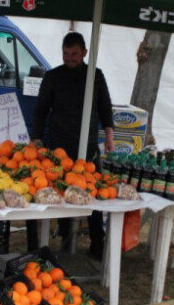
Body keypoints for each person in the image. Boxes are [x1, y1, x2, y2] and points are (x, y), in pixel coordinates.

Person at [27, 32, 115, 260]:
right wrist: (36, 139)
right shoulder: (53, 76)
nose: (69, 58)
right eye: (66, 54)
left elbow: (105, 107)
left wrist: (109, 135)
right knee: (62, 191)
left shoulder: (96, 76)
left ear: (84, 53)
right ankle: (66, 236)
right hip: (60, 146)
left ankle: (97, 240)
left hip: (88, 145)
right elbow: (40, 110)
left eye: (74, 54)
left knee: (93, 191)